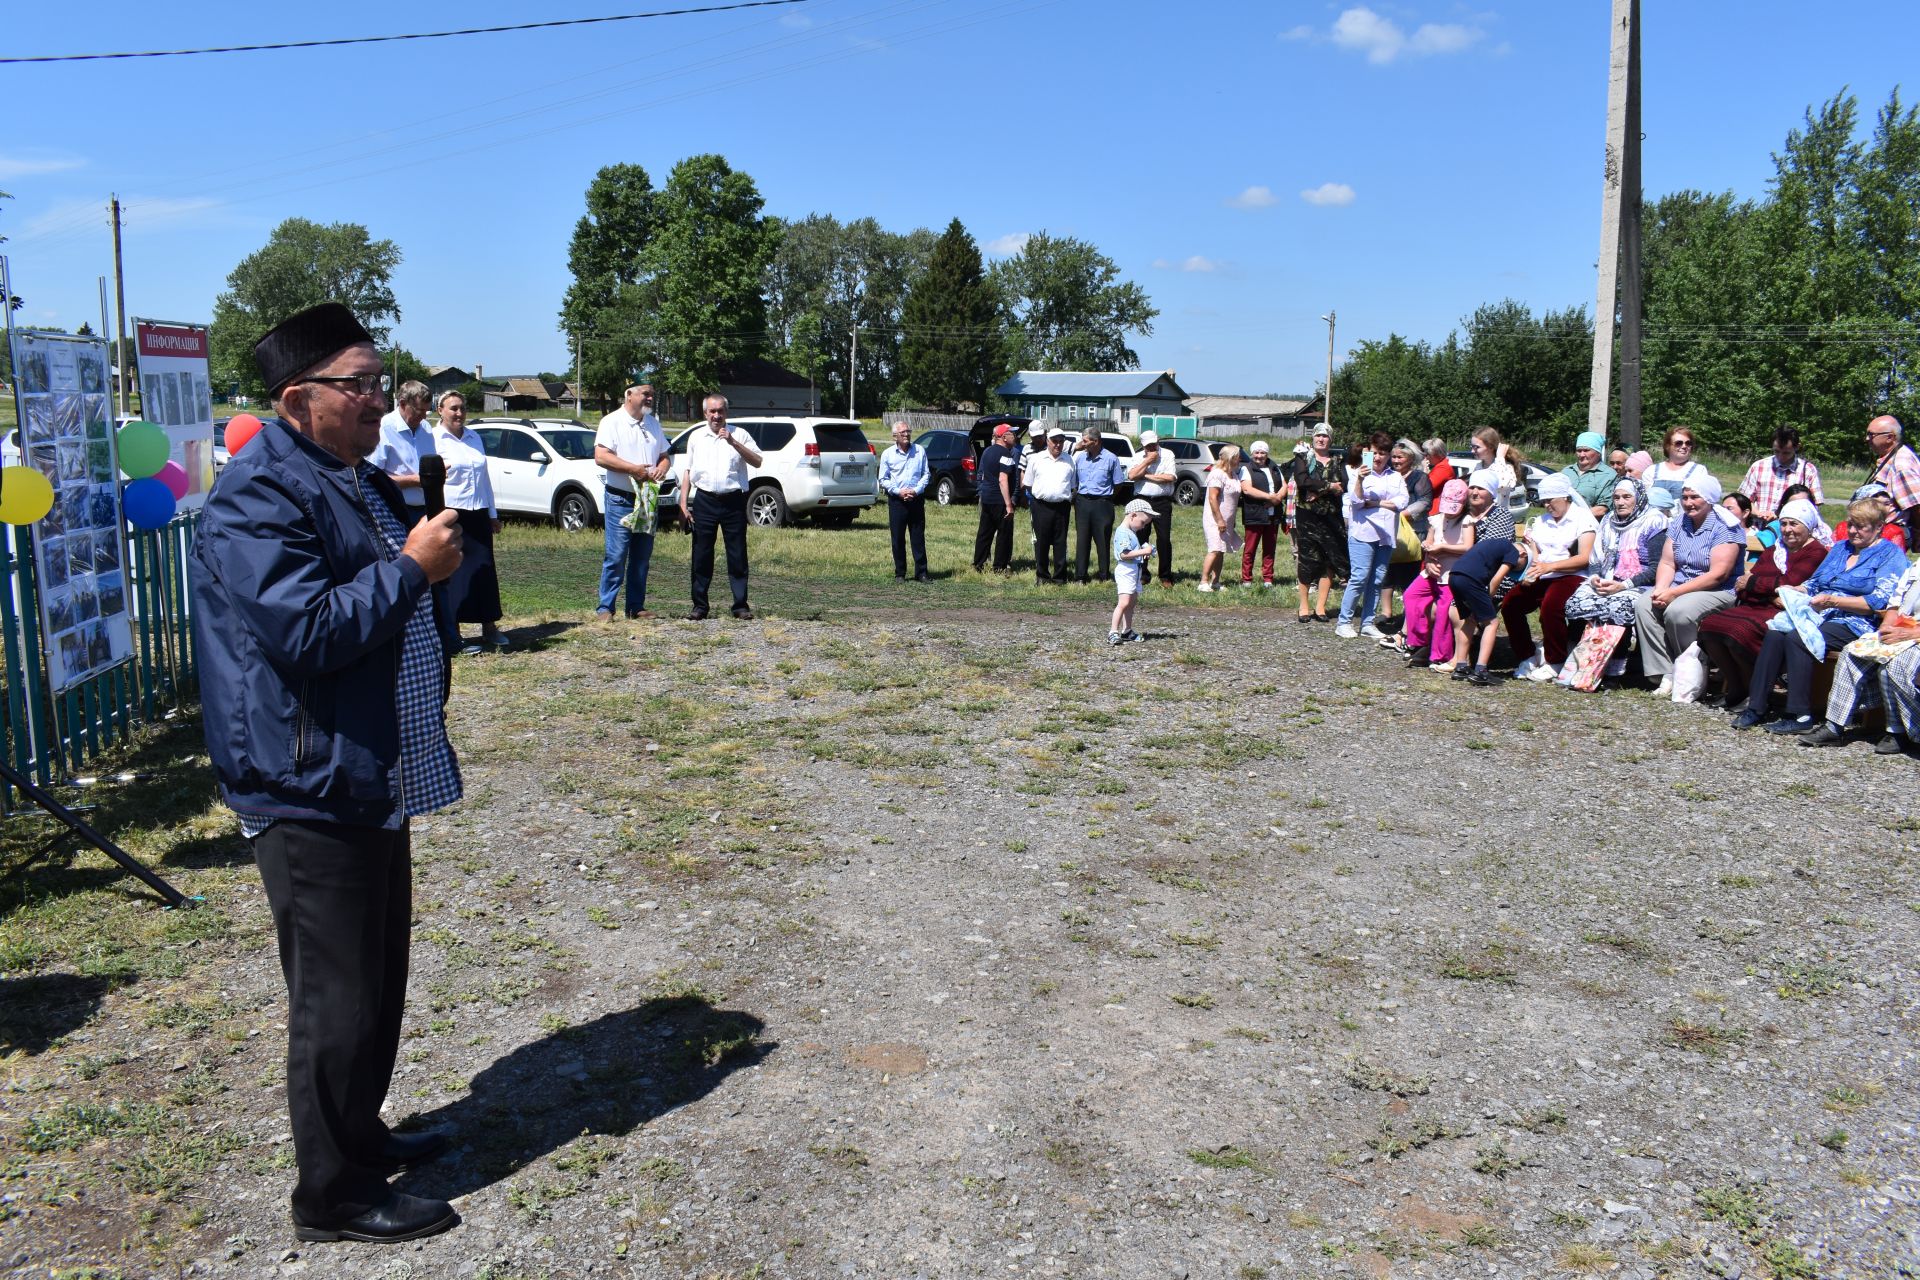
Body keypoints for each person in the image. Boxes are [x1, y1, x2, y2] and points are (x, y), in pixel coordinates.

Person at [191, 301, 465, 1244]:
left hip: (364, 766)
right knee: (334, 997)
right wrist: (411, 571)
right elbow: (305, 631)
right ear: (297, 398)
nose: (378, 402)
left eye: (382, 382)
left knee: (377, 976)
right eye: (359, 386)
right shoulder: (257, 494)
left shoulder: (342, 475)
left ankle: (361, 1137)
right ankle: (331, 1197)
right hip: (305, 778)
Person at [1733, 499, 1908, 734]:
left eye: (1861, 526)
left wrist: (1833, 601)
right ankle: (1756, 706)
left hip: (1856, 620)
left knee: (1798, 638)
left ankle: (1800, 714)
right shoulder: (1840, 548)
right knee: (1776, 633)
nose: (1854, 531)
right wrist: (1798, 590)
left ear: (1878, 527)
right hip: (1821, 612)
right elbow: (1815, 583)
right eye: (1851, 525)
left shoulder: (1889, 555)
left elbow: (1877, 602)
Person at [1695, 498, 1828, 711]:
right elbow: (1751, 583)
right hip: (1760, 604)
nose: (1787, 530)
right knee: (1710, 626)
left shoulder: (1816, 552)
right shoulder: (1776, 548)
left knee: (1739, 632)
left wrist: (1755, 585)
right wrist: (1765, 589)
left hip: (1784, 612)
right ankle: (1737, 687)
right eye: (1783, 524)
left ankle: (1753, 689)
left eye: (1794, 524)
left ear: (1808, 526)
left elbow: (1788, 583)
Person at [1632, 474, 1745, 696]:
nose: (1688, 502)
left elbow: (1718, 575)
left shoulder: (1726, 527)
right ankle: (1664, 671)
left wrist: (1674, 593)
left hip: (1716, 590)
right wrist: (1661, 590)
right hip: (1680, 583)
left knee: (1679, 611)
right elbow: (1667, 561)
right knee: (1644, 605)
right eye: (1685, 497)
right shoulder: (1679, 522)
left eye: (1695, 497)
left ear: (1709, 499)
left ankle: (1691, 667)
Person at [1799, 557, 1920, 753]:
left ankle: (1901, 732)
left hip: (1915, 636)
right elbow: (1895, 604)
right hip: (1902, 632)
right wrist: (1887, 626)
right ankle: (1834, 727)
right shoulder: (1917, 566)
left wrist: (1911, 634)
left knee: (1895, 666)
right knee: (1851, 652)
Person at [1501, 474, 1598, 681]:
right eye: (1543, 501)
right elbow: (1536, 551)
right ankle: (1528, 655)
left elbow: (1584, 558)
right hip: (1545, 572)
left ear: (1564, 497)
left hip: (1573, 574)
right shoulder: (1543, 521)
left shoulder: (1582, 518)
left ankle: (1556, 660)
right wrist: (1533, 571)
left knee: (1551, 606)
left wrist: (1549, 567)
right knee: (1511, 603)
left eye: (1550, 500)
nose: (1546, 505)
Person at [430, 391, 506, 653]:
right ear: (440, 410)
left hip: (478, 511)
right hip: (452, 512)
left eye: (462, 408)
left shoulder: (475, 438)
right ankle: (455, 633)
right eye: (453, 408)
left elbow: (484, 479)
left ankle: (489, 627)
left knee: (484, 569)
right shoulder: (434, 439)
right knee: (454, 573)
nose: (459, 413)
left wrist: (492, 514)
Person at [677, 393, 762, 620]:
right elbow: (688, 471)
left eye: (720, 411)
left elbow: (757, 461)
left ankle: (740, 605)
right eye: (712, 411)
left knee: (737, 554)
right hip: (705, 500)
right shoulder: (696, 437)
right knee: (701, 554)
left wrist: (733, 442)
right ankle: (700, 606)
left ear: (727, 412)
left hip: (733, 500)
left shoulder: (739, 434)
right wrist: (683, 503)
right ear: (705, 413)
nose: (716, 416)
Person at [593, 383, 671, 618]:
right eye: (646, 394)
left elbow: (665, 456)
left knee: (641, 556)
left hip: (647, 498)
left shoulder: (653, 423)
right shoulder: (612, 422)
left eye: (651, 395)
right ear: (629, 394)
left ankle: (635, 606)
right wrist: (632, 469)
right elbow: (601, 456)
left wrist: (661, 469)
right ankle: (606, 607)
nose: (650, 399)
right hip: (621, 498)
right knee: (616, 555)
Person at [1564, 477, 1669, 630]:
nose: (1620, 502)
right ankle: (1582, 650)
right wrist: (1594, 578)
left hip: (1641, 583)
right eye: (1616, 497)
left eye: (1627, 497)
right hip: (1608, 580)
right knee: (1575, 603)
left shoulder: (1654, 521)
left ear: (1639, 498)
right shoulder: (1608, 520)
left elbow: (1656, 568)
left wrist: (1622, 585)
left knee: (1617, 606)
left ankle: (1617, 652)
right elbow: (1596, 560)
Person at [1335, 432, 1408, 639]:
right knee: (1359, 578)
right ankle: (1344, 621)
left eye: (1383, 453)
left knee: (1376, 580)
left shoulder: (1395, 477)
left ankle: (1367, 622)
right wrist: (1360, 481)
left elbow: (1402, 502)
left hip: (1386, 536)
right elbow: (1356, 503)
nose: (1378, 458)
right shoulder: (1358, 474)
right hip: (1363, 534)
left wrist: (1375, 503)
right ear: (1368, 452)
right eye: (1375, 453)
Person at [1403, 478, 1472, 670]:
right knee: (1411, 596)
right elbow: (1430, 541)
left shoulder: (1466, 521)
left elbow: (1468, 547)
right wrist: (1428, 547)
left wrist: (1443, 548)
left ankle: (1440, 654)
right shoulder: (1436, 519)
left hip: (1452, 573)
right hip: (1432, 571)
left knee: (1443, 611)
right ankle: (1418, 639)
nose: (1450, 512)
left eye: (1454, 507)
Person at [1447, 531, 1529, 687]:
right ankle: (1481, 671)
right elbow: (1497, 578)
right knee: (1491, 623)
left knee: (1469, 620)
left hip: (1455, 575)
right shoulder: (1512, 551)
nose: (1513, 569)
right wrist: (1488, 600)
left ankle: (1461, 666)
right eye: (1518, 567)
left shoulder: (1493, 543)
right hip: (1471, 579)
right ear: (1523, 554)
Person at [1292, 425, 1347, 622]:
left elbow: (1345, 484)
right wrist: (1329, 486)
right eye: (1318, 435)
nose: (1321, 439)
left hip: (1331, 516)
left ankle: (1321, 607)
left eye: (1325, 436)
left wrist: (1320, 491)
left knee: (1328, 560)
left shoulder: (1339, 460)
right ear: (1313, 438)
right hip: (1308, 515)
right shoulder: (1303, 457)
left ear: (1330, 440)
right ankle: (1304, 606)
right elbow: (1302, 480)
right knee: (1307, 559)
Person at [368, 379, 437, 510]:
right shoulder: (383, 428)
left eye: (427, 411)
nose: (424, 417)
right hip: (395, 510)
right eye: (419, 410)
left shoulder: (426, 428)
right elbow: (373, 478)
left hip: (426, 508)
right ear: (403, 404)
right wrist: (415, 481)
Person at [877, 420, 931, 582]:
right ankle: (900, 573)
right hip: (897, 502)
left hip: (916, 500)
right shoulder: (888, 454)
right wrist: (898, 492)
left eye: (908, 431)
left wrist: (915, 490)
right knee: (898, 538)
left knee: (918, 537)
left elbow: (926, 474)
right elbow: (883, 479)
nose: (907, 434)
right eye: (903, 433)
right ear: (895, 436)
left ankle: (921, 573)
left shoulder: (919, 451)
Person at [1071, 426, 1126, 583]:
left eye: (1085, 440)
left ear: (1096, 441)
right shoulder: (1080, 458)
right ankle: (1080, 576)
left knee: (1102, 540)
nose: (1083, 443)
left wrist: (1106, 498)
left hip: (1103, 503)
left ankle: (1104, 575)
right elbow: (1075, 482)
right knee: (1082, 540)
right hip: (1082, 502)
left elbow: (1118, 483)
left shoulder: (1111, 458)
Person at [1738, 426, 1824, 523]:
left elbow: (1814, 505)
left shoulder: (1808, 470)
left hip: (1791, 531)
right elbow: (1744, 500)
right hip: (1758, 529)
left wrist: (1781, 514)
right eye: (1777, 451)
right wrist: (1758, 513)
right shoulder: (1758, 466)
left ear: (1797, 447)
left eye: (1786, 453)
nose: (1780, 456)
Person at [1023, 427, 1075, 583]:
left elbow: (1072, 485)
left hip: (1062, 506)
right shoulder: (1036, 459)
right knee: (1042, 542)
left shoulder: (1069, 460)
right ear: (1047, 441)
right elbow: (1028, 483)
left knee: (1060, 542)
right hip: (1041, 506)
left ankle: (1060, 577)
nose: (1057, 445)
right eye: (1054, 441)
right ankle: (1042, 576)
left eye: (1061, 441)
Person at [1127, 429, 1178, 587]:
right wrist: (1147, 462)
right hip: (1142, 500)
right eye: (1148, 446)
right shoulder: (1137, 457)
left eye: (1154, 444)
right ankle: (1143, 573)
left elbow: (1170, 477)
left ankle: (1165, 575)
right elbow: (1131, 476)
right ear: (1143, 446)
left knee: (1163, 539)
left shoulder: (1168, 454)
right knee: (1141, 538)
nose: (1152, 448)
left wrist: (1146, 475)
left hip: (1162, 501)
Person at [973, 423, 1020, 573]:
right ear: (1004, 437)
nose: (1015, 437)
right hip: (999, 500)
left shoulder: (987, 451)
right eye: (1012, 434)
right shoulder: (1006, 454)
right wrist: (1008, 504)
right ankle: (999, 566)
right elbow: (1003, 479)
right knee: (1003, 534)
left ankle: (978, 564)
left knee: (984, 533)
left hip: (986, 498)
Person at [1863, 414, 1920, 539]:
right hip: (1876, 531)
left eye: (1871, 434)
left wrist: (1917, 534)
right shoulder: (1890, 457)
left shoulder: (1901, 465)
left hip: (1889, 535)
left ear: (1890, 437)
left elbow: (1917, 506)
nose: (1867, 439)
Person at [1108, 498, 1156, 645]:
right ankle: (1113, 631)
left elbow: (1132, 551)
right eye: (1142, 523)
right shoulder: (1123, 532)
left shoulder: (1130, 531)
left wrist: (1143, 551)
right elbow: (1124, 554)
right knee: (1124, 602)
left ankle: (1127, 630)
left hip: (1134, 570)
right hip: (1126, 570)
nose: (1142, 527)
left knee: (1132, 601)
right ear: (1133, 515)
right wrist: (1143, 551)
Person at [1237, 440, 1284, 588]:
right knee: (1250, 549)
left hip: (1273, 514)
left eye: (1263, 452)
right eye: (1257, 452)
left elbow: (1284, 485)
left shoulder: (1274, 466)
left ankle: (1268, 578)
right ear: (1252, 454)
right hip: (1255, 514)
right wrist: (1269, 497)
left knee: (1270, 548)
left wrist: (1277, 499)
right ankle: (1246, 579)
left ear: (1267, 453)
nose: (1259, 456)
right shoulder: (1247, 469)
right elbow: (1247, 489)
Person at [1198, 444, 1244, 591]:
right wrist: (1219, 520)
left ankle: (1215, 581)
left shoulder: (1234, 474)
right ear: (1230, 458)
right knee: (1214, 549)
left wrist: (1230, 520)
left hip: (1228, 520)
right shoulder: (1217, 474)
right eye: (1237, 456)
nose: (1240, 459)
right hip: (1215, 519)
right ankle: (1203, 582)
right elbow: (1213, 498)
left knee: (1221, 550)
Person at [1644, 426, 1708, 505]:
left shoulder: (1698, 470)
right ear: (1667, 446)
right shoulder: (1652, 471)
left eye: (1688, 443)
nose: (1684, 446)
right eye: (1678, 443)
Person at [1561, 431, 1616, 518]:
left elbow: (1602, 509)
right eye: (1579, 451)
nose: (1582, 454)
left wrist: (1572, 517)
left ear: (1598, 453)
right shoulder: (1566, 472)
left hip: (1589, 525)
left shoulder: (1609, 475)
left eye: (1586, 450)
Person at [1851, 482, 1909, 551]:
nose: (1882, 508)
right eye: (1876, 504)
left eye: (1886, 503)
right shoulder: (1843, 528)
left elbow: (1896, 559)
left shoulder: (1893, 532)